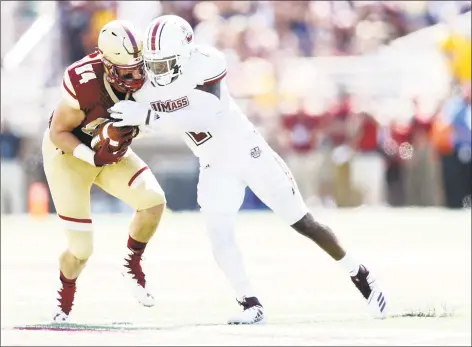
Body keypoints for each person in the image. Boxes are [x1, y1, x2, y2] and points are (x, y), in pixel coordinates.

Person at [109, 15, 387, 324]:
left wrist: (147, 118)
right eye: (152, 64)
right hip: (214, 163)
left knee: (301, 221)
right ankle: (250, 304)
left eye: (163, 64)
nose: (155, 72)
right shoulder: (145, 88)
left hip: (248, 153)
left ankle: (357, 272)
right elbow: (147, 118)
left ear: (184, 56)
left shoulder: (208, 62)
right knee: (218, 233)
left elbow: (205, 113)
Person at [43, 20, 166, 322]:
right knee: (81, 249)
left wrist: (147, 121)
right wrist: (92, 156)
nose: (138, 77)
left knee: (153, 202)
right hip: (70, 156)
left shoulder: (146, 77)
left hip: (110, 153)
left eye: (141, 68)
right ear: (108, 66)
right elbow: (58, 132)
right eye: (128, 72)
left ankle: (131, 263)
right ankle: (65, 298)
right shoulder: (83, 81)